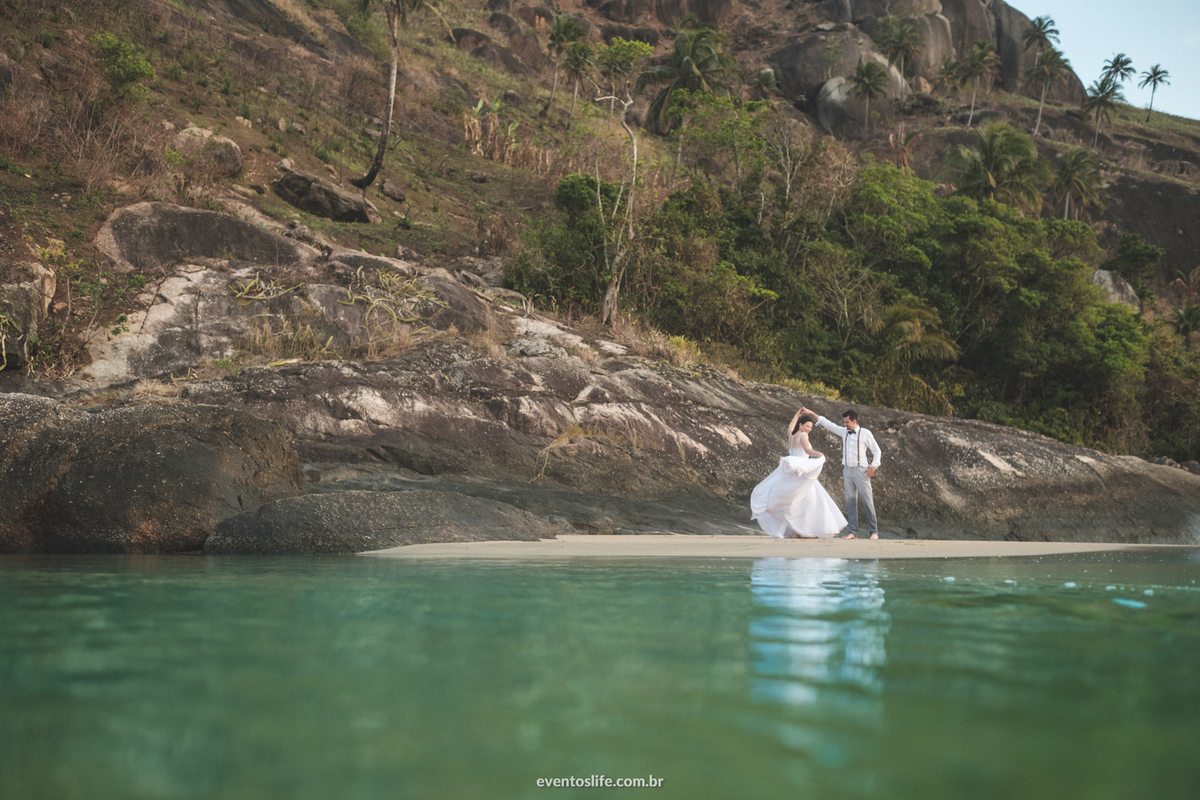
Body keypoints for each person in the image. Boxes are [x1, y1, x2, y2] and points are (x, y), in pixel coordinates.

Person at [750, 410, 849, 539]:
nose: (809, 429)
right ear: (801, 425)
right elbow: (808, 450)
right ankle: (802, 531)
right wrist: (820, 455)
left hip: (792, 471)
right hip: (801, 471)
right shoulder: (802, 435)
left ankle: (797, 531)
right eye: (807, 426)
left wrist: (797, 414)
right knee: (807, 501)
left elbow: (790, 427)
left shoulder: (792, 434)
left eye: (811, 427)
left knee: (797, 502)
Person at [803, 407, 881, 540]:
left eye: (847, 422)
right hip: (847, 470)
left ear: (854, 421)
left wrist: (873, 467)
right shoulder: (844, 432)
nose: (845, 425)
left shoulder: (865, 433)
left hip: (861, 470)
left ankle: (874, 532)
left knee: (867, 501)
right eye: (844, 422)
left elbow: (877, 450)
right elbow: (828, 424)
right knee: (850, 502)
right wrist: (811, 413)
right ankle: (852, 532)